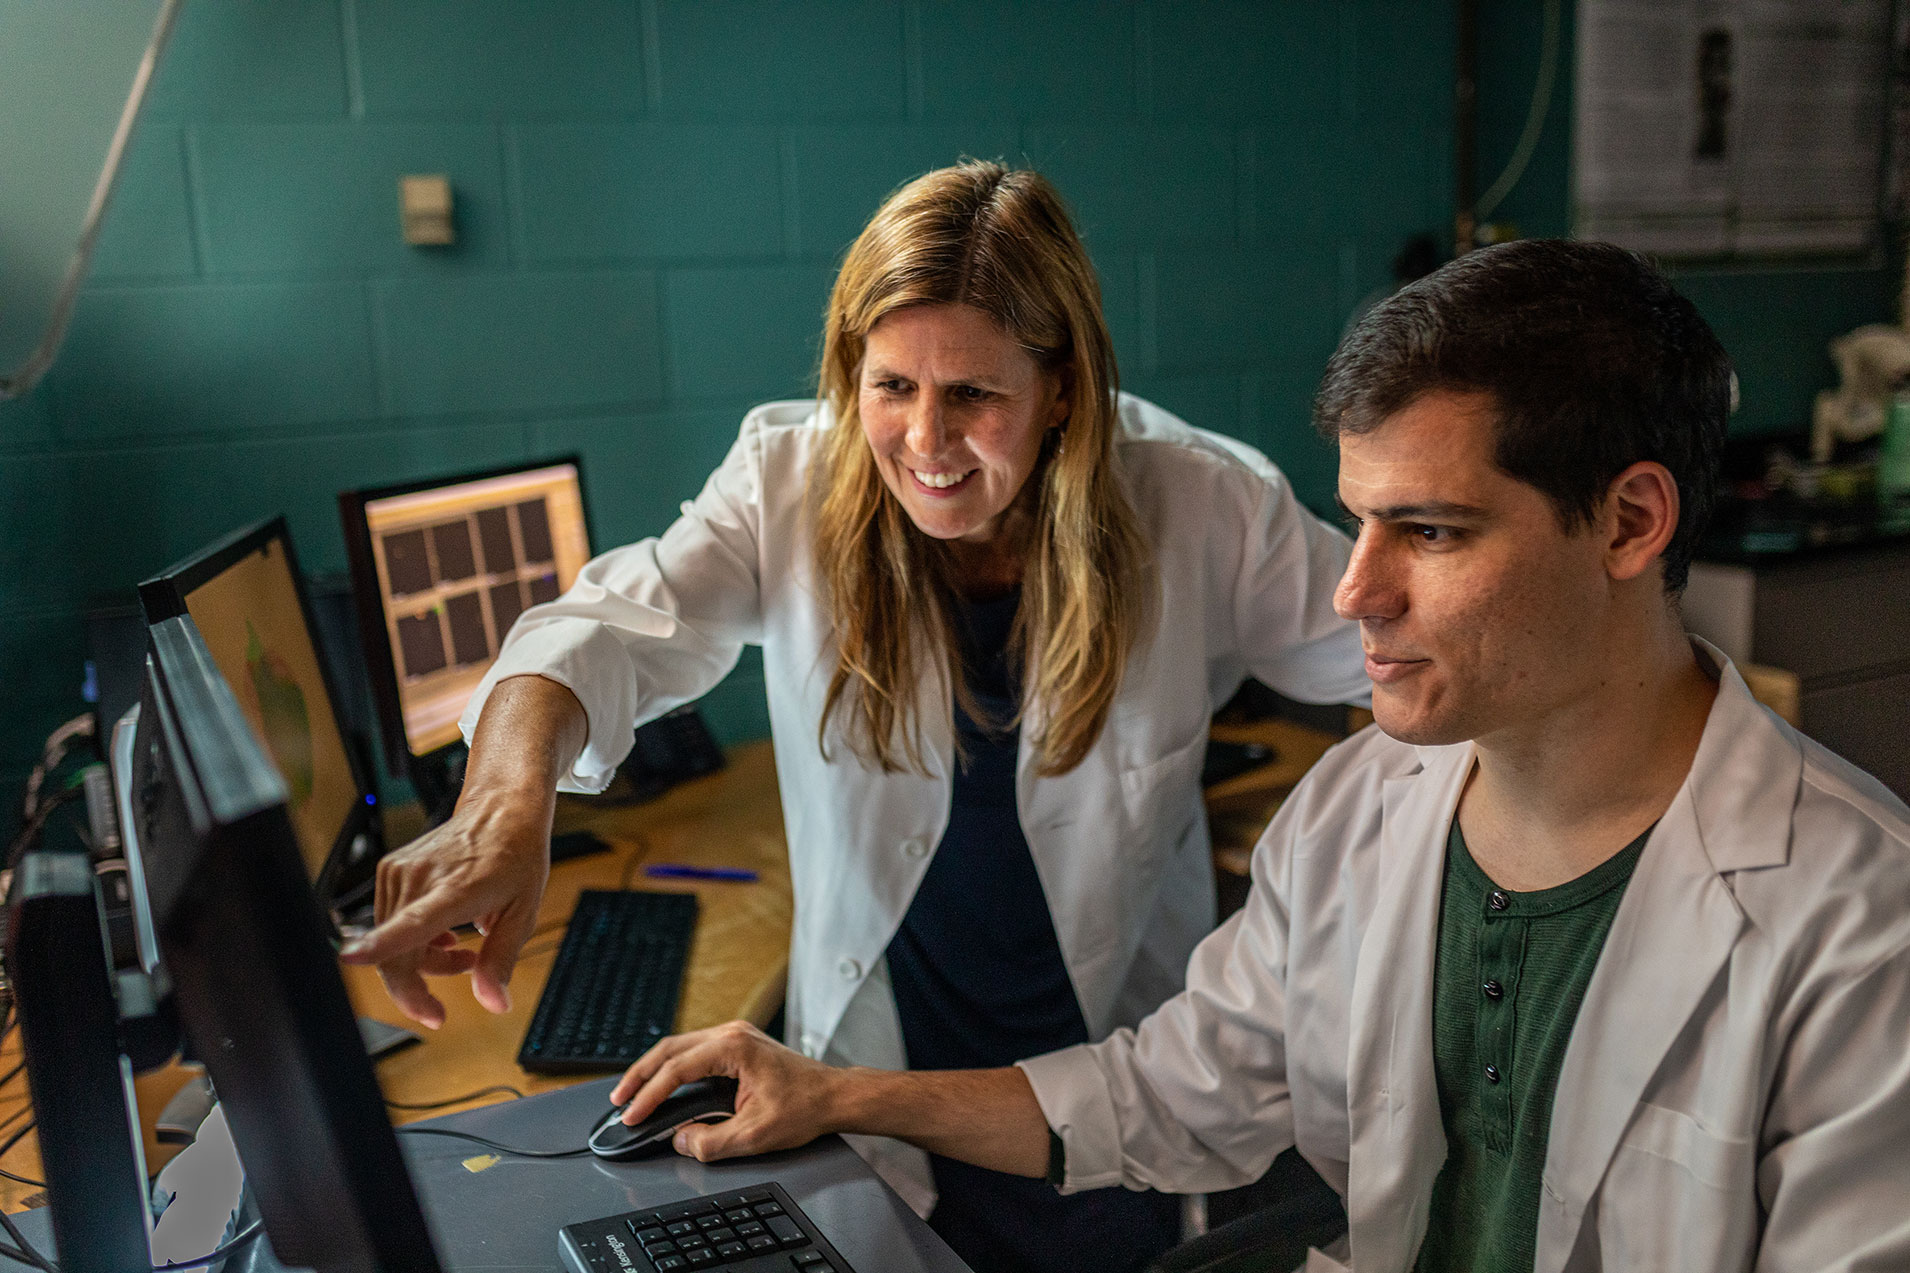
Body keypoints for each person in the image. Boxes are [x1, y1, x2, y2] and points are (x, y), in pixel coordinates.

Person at [603, 239, 1910, 1272]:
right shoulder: (1355, 814)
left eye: (1432, 533)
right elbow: (1164, 1095)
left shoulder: (1855, 926)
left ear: (1628, 522)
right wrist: (835, 1093)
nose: (1352, 594)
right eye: (1358, 523)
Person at [339, 161, 1368, 1272]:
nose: (924, 441)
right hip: (874, 1086)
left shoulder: (1205, 503)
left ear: (1059, 387)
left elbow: (1410, 660)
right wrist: (505, 801)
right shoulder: (787, 477)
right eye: (890, 387)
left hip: (1107, 1090)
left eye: (972, 393)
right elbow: (605, 625)